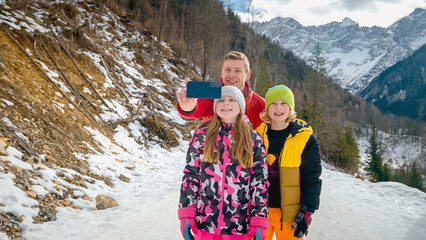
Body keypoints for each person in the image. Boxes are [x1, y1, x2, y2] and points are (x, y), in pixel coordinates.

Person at [178, 86, 269, 240]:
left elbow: (260, 181)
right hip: (205, 224)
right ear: (215, 107)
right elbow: (191, 175)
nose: (226, 103)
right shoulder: (201, 137)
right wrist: (186, 213)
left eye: (232, 100)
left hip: (239, 227)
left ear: (241, 107)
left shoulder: (254, 139)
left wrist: (259, 220)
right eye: (221, 100)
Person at [255, 85, 322, 240]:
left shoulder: (304, 138)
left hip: (290, 215)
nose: (278, 108)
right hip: (259, 212)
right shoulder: (257, 135)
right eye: (273, 103)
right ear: (267, 108)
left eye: (283, 103)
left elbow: (312, 177)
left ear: (290, 107)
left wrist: (307, 210)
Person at [176, 51, 265, 129]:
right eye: (227, 70)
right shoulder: (211, 93)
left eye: (238, 71)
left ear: (248, 75)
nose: (231, 75)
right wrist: (187, 106)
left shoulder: (260, 104)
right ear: (222, 71)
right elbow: (197, 107)